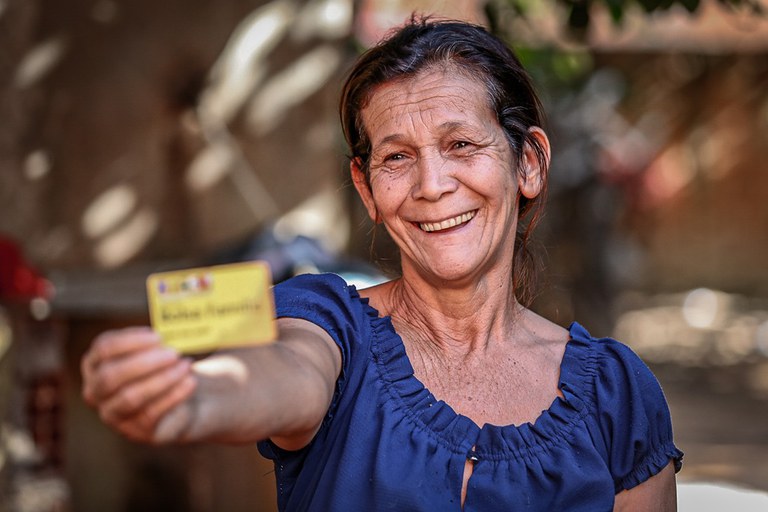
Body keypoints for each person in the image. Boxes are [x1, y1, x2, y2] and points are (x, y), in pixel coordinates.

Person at [81, 17, 683, 511]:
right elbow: (288, 371)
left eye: (461, 146)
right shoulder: (330, 322)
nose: (431, 185)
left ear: (527, 163)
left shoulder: (618, 395)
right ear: (366, 190)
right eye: (396, 158)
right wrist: (198, 397)